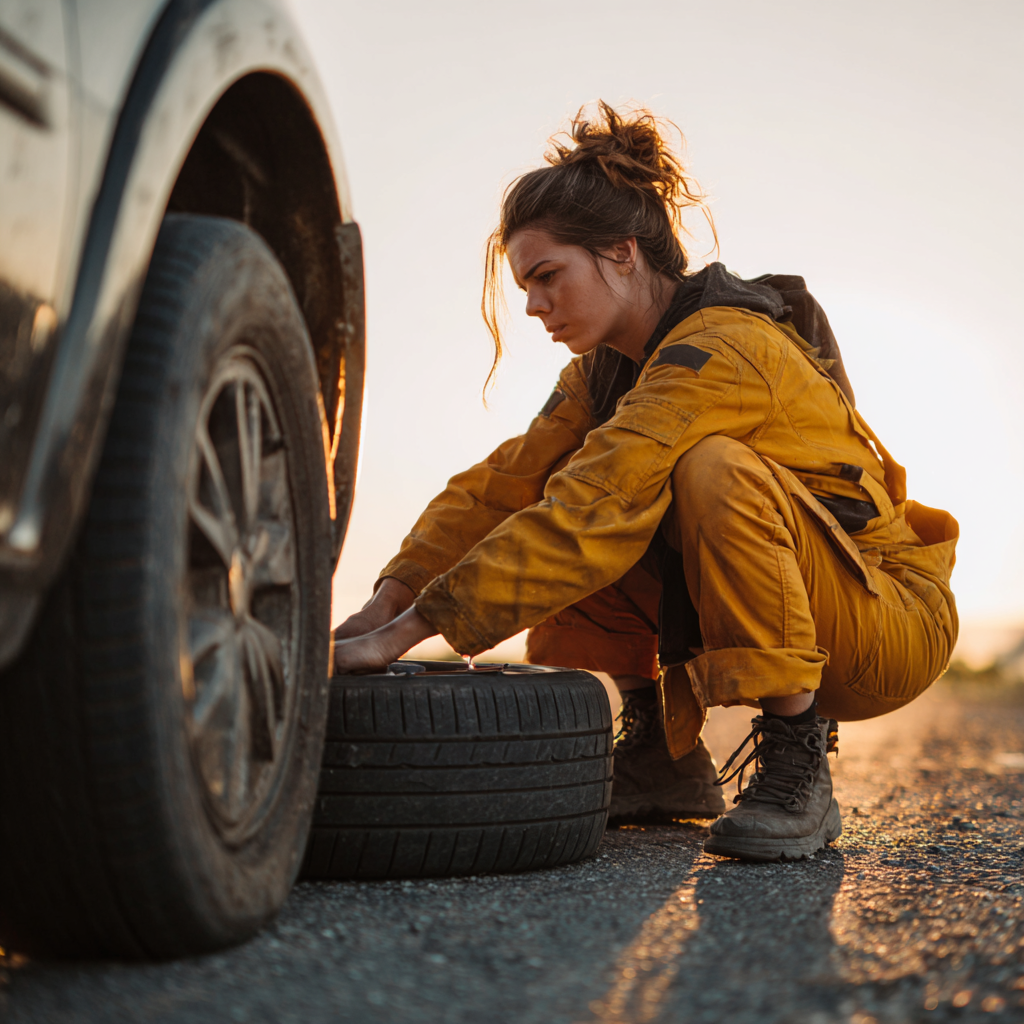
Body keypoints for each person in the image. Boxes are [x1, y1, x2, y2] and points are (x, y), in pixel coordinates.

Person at [333, 102, 958, 862]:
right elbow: (501, 487)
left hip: (885, 622)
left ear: (623, 252)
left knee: (700, 473)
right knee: (566, 477)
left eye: (548, 276)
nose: (532, 306)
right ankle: (664, 758)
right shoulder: (600, 375)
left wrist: (407, 637)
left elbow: (597, 504)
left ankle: (796, 762)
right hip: (824, 605)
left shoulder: (724, 345)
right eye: (525, 286)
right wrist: (382, 605)